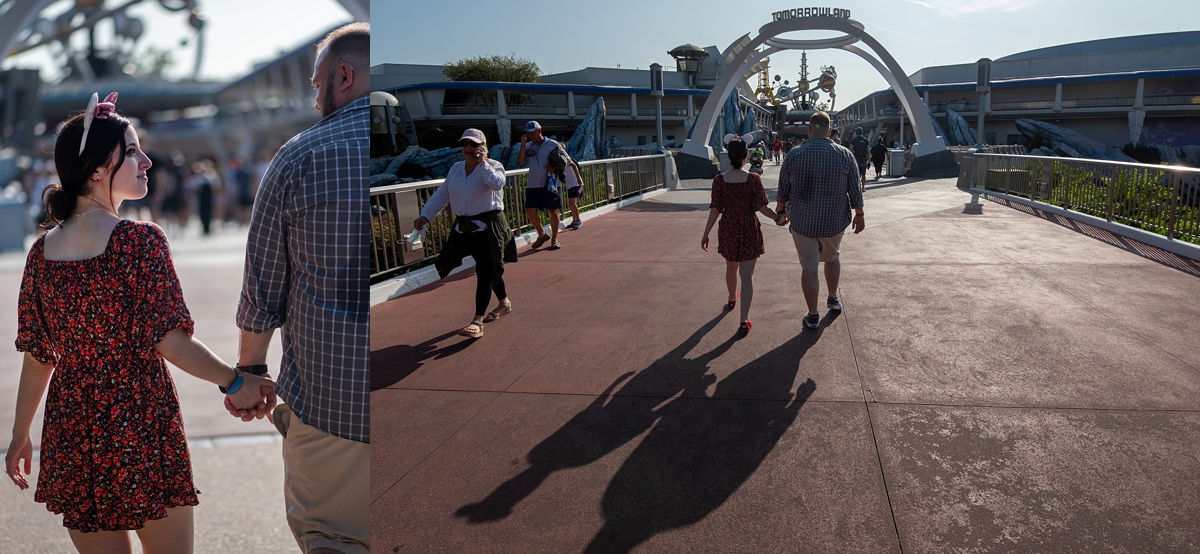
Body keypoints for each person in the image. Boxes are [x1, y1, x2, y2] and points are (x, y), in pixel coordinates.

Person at [5, 91, 274, 552]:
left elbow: (38, 356)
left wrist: (19, 436)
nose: (147, 161)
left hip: (73, 426)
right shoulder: (139, 241)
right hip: (140, 417)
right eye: (131, 151)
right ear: (94, 169)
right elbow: (168, 340)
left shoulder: (41, 253)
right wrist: (235, 383)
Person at [231, 22, 370, 554]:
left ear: (343, 75)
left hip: (331, 400)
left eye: (317, 86)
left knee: (332, 538)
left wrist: (249, 372)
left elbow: (262, 289)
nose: (315, 100)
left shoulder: (300, 156)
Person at [413, 128, 517, 338]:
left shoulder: (494, 166)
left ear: (483, 147)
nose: (468, 148)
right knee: (471, 265)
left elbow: (497, 184)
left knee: (486, 271)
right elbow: (443, 194)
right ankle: (504, 303)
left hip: (489, 228)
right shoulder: (456, 169)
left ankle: (477, 321)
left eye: (473, 144)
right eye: (465, 144)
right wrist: (426, 215)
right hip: (465, 228)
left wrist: (482, 164)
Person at [775, 111, 865, 330]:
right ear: (831, 130)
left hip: (803, 221)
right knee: (832, 258)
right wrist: (860, 214)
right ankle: (833, 297)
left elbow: (783, 189)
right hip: (834, 220)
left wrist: (780, 212)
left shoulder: (794, 154)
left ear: (809, 130)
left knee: (809, 266)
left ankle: (813, 315)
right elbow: (855, 188)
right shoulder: (844, 154)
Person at [701, 133, 780, 333]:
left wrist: (706, 233)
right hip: (748, 228)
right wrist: (777, 218)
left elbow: (715, 209)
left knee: (730, 268)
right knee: (747, 275)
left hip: (728, 228)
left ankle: (731, 297)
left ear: (728, 156)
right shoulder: (754, 179)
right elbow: (762, 208)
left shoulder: (719, 180)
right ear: (746, 156)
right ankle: (744, 320)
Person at [518, 120, 564, 250]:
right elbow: (521, 161)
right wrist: (523, 145)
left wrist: (554, 167)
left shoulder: (553, 144)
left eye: (531, 132)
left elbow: (565, 160)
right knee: (529, 210)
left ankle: (554, 239)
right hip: (533, 184)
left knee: (553, 210)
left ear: (539, 131)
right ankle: (542, 234)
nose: (529, 135)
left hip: (550, 183)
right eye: (527, 133)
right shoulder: (528, 146)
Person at [549, 148, 585, 230]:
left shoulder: (566, 158)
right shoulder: (560, 161)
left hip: (575, 183)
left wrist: (578, 179)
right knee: (571, 202)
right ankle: (574, 220)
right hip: (570, 184)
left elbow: (574, 166)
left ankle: (578, 220)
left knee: (572, 202)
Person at [849, 127, 871, 191]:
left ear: (856, 133)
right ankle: (863, 187)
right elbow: (868, 152)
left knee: (856, 174)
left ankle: (857, 187)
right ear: (862, 132)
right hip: (863, 159)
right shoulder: (866, 141)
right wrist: (869, 161)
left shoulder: (854, 140)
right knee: (863, 174)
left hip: (856, 159)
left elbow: (850, 151)